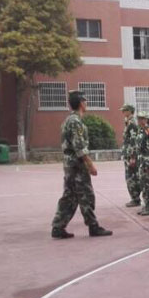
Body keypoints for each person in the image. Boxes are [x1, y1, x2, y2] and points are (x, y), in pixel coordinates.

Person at [51, 90, 112, 238]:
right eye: (85, 101)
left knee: (70, 196)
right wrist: (90, 165)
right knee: (86, 195)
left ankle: (58, 227)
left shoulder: (69, 120)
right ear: (81, 103)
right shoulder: (75, 122)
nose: (86, 103)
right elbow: (79, 147)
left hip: (70, 164)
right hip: (77, 164)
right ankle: (93, 227)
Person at [120, 104, 142, 208]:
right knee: (131, 176)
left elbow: (133, 140)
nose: (123, 112)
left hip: (130, 155)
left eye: (124, 110)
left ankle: (135, 198)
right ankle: (135, 198)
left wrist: (133, 156)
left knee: (131, 177)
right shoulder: (128, 122)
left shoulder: (132, 123)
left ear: (130, 111)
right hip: (128, 154)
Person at [136, 111, 149, 216]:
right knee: (143, 185)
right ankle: (146, 205)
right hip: (142, 161)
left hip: (147, 161)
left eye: (142, 119)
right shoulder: (141, 131)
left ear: (146, 120)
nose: (140, 121)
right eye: (139, 119)